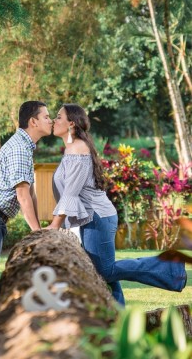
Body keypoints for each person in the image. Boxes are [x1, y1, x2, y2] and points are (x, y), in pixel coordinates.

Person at [47, 103, 187, 306]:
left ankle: (171, 266)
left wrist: (54, 225)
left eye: (58, 117)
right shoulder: (72, 148)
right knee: (102, 269)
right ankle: (117, 312)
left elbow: (70, 193)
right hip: (92, 218)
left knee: (105, 270)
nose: (54, 120)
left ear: (71, 123)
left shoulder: (77, 148)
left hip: (97, 217)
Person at [0, 101, 53, 335]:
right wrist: (36, 232)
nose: (51, 120)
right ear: (33, 121)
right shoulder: (19, 148)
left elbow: (31, 193)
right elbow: (22, 194)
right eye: (46, 116)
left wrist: (39, 228)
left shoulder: (26, 147)